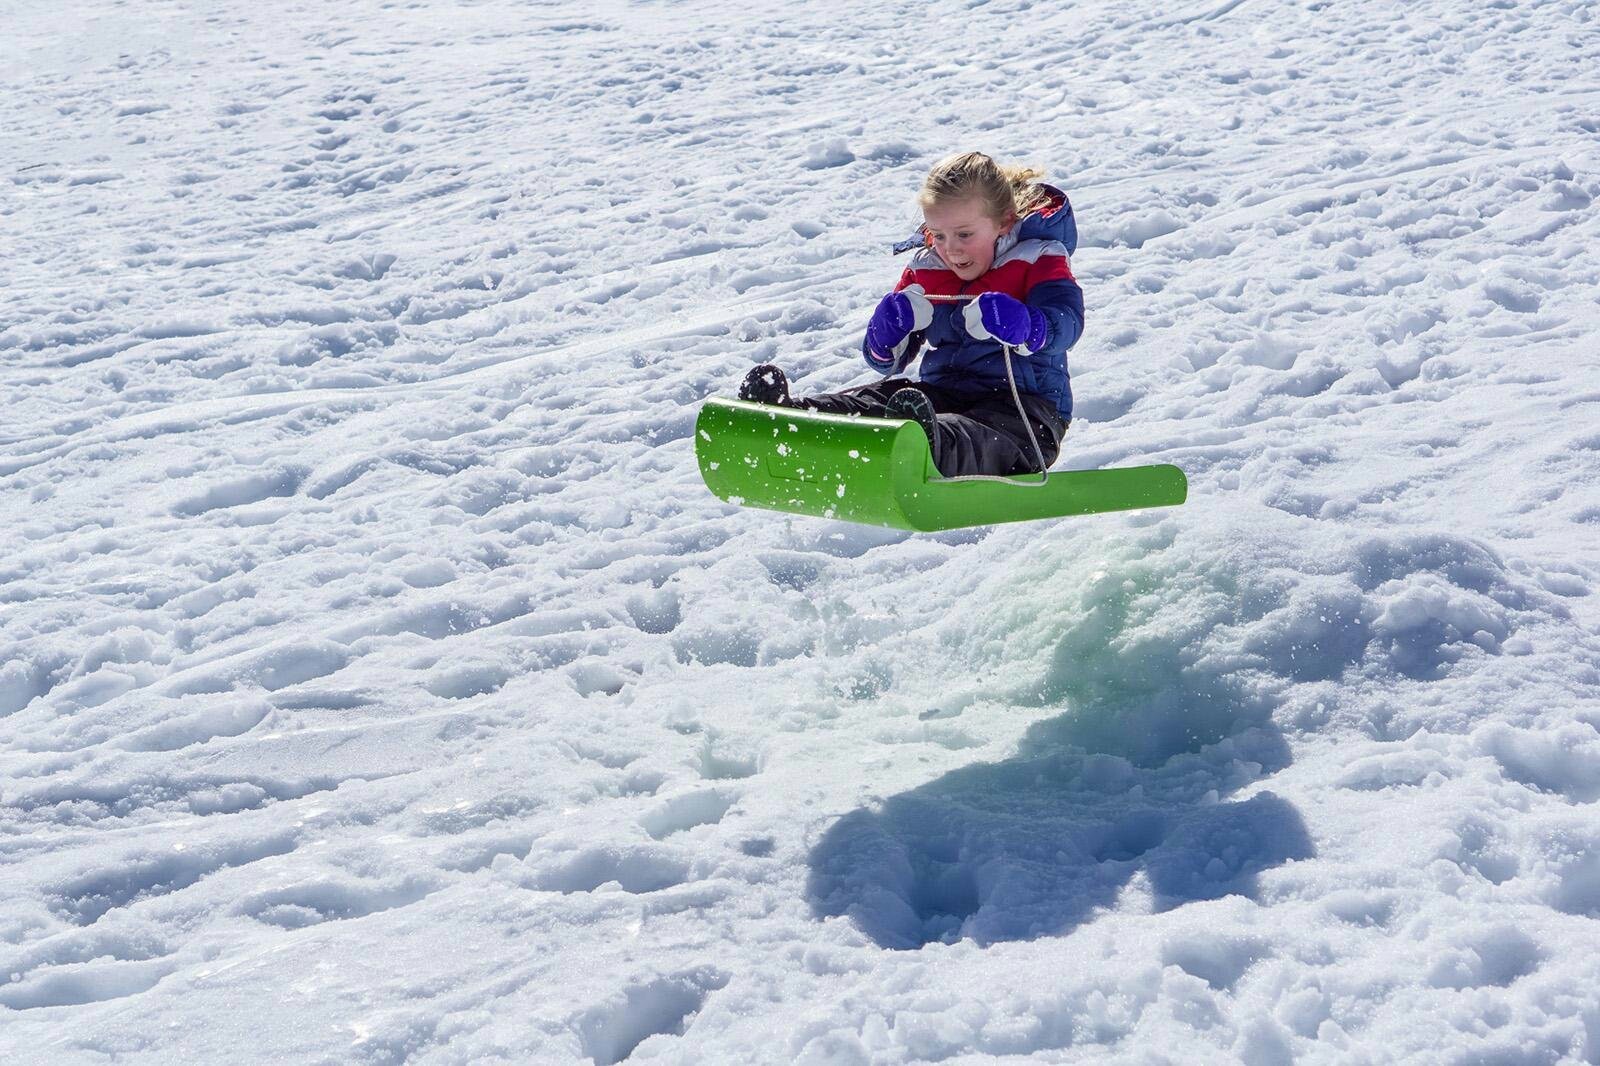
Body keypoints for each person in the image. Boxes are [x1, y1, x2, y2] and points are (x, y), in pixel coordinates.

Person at [739, 151, 1084, 478]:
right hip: (942, 397)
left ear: (1004, 222)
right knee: (883, 399)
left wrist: (1026, 325)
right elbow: (886, 361)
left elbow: (1067, 320)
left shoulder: (1039, 258)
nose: (951, 248)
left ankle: (921, 447)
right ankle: (790, 421)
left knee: (972, 433)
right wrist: (888, 332)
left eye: (964, 234)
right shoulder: (927, 267)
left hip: (1026, 413)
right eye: (939, 235)